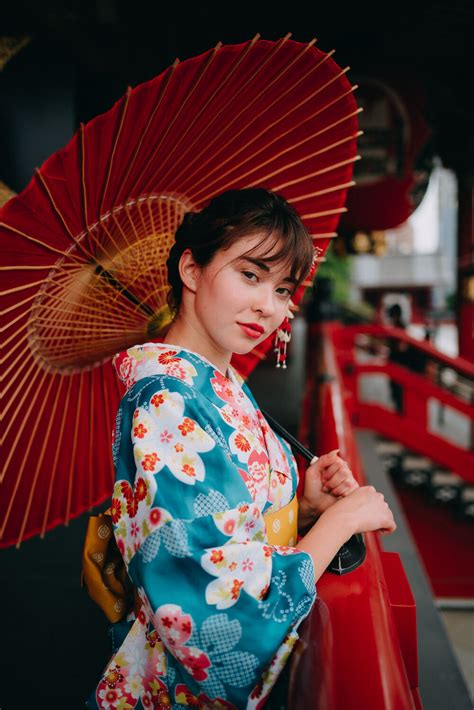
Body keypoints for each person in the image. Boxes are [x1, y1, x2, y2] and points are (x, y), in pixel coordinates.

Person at [87, 188, 395, 709]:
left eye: (283, 290)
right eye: (250, 275)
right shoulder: (167, 402)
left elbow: (235, 521)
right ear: (191, 269)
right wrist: (338, 524)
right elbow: (212, 620)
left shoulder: (218, 382)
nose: (267, 306)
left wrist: (305, 504)